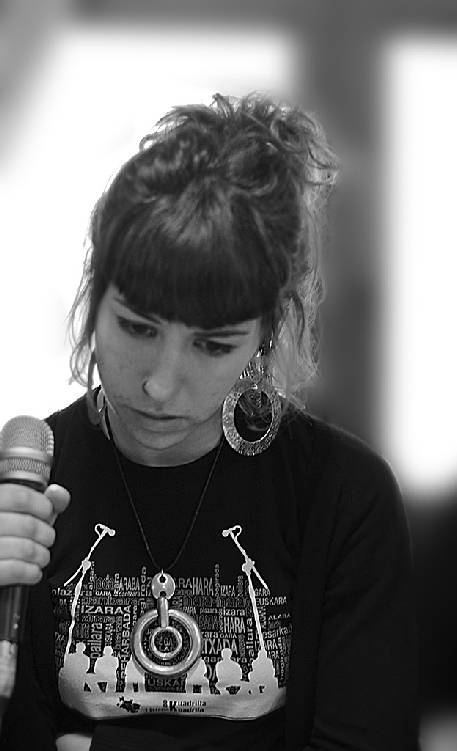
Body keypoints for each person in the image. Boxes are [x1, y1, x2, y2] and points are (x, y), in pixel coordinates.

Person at [0, 92, 419, 750]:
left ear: (265, 336)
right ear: (93, 300)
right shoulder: (27, 487)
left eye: (212, 344)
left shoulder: (343, 497)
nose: (160, 383)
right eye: (137, 327)